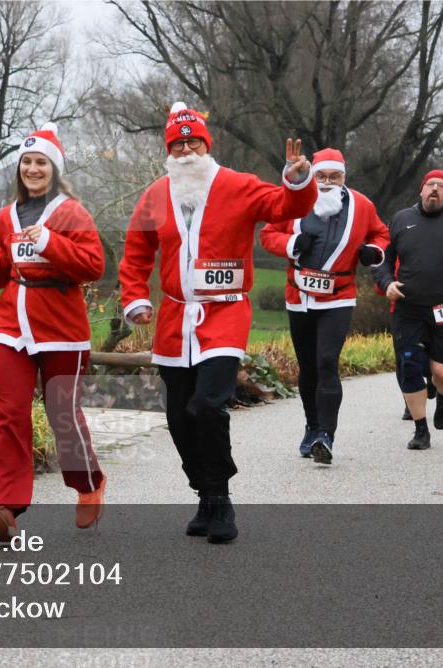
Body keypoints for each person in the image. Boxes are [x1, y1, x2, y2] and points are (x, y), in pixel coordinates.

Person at [119, 102, 316, 543]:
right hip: (174, 315)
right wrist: (134, 298)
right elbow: (135, 253)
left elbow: (285, 204)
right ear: (169, 149)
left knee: (207, 404)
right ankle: (204, 493)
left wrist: (297, 178)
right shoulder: (155, 195)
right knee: (177, 416)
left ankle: (221, 498)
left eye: (194, 141)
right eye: (178, 142)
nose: (187, 149)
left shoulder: (238, 186)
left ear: (207, 145)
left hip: (224, 312)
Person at [0, 122, 106, 540]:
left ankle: (88, 484)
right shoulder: (7, 215)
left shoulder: (72, 212)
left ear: (54, 168)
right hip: (12, 326)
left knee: (62, 415)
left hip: (62, 328)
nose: (33, 168)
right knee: (8, 413)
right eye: (27, 162)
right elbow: (7, 265)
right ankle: (4, 506)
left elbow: (93, 266)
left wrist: (48, 243)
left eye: (41, 161)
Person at [260, 148, 389, 464]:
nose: (328, 182)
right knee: (308, 366)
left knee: (327, 360)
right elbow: (268, 234)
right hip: (299, 296)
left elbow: (381, 235)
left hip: (338, 294)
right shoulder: (293, 201)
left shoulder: (362, 205)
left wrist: (374, 252)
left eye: (335, 176)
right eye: (322, 176)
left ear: (345, 176)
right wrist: (291, 246)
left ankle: (326, 436)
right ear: (313, 175)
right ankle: (312, 425)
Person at [372, 169, 443, 450]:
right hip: (408, 307)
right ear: (421, 190)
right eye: (430, 185)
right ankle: (420, 430)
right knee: (410, 364)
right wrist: (386, 282)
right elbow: (382, 260)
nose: (434, 189)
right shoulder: (402, 219)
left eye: (441, 186)